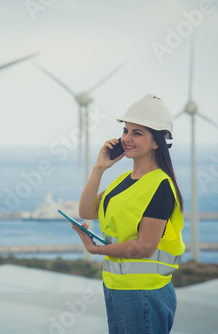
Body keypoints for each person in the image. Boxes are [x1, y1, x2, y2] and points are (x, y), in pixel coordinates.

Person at [73, 94, 185, 333]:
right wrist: (99, 168)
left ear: (157, 142)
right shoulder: (124, 180)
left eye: (137, 133)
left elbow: (145, 246)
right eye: (125, 131)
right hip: (117, 287)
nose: (126, 138)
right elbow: (86, 211)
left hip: (145, 292)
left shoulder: (160, 185)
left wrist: (97, 249)